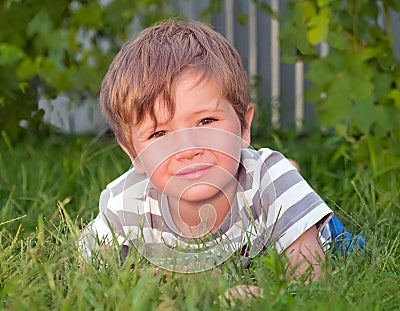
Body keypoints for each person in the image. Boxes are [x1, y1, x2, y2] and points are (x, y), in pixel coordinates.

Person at [81, 19, 362, 284]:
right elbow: (85, 270)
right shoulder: (125, 205)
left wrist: (259, 297)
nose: (188, 149)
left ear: (243, 127)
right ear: (134, 155)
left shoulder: (271, 185)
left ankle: (291, 179)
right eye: (159, 134)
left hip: (302, 226)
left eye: (206, 122)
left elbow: (310, 277)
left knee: (288, 193)